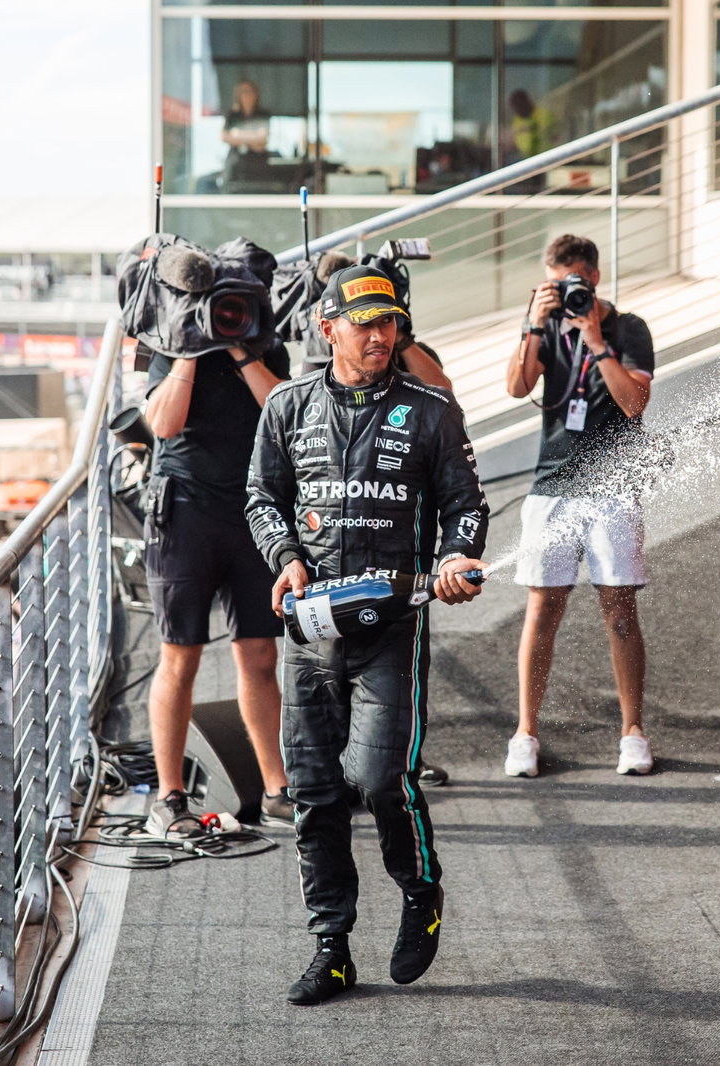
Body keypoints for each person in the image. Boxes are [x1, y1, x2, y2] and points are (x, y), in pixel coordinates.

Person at [245, 263, 489, 1006]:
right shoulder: (287, 405)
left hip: (393, 627)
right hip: (311, 628)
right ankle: (333, 949)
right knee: (315, 794)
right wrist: (285, 560)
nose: (382, 335)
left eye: (390, 323)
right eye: (366, 324)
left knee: (382, 779)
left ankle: (420, 891)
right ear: (328, 330)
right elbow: (261, 497)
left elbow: (467, 507)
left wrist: (453, 557)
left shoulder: (431, 408)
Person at [503, 234, 656, 778]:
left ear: (593, 277)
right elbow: (517, 388)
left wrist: (596, 342)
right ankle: (525, 732)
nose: (568, 291)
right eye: (555, 282)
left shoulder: (627, 327)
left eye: (574, 281)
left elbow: (634, 404)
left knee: (618, 610)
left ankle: (632, 731)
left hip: (613, 488)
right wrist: (530, 323)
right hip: (552, 485)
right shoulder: (544, 325)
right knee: (542, 608)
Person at [141, 315, 294, 837]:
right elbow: (163, 423)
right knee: (180, 657)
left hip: (250, 510)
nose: (225, 317)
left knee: (260, 655)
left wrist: (240, 352)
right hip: (184, 513)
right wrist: (190, 348)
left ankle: (277, 789)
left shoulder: (264, 346)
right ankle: (169, 795)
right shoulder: (170, 345)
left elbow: (283, 411)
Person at [220, 79, 271, 192]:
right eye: (243, 92)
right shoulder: (232, 116)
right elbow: (224, 137)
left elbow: (263, 139)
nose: (247, 95)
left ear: (256, 94)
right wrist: (254, 139)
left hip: (257, 169)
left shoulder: (262, 115)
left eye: (249, 91)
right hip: (236, 167)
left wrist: (237, 134)